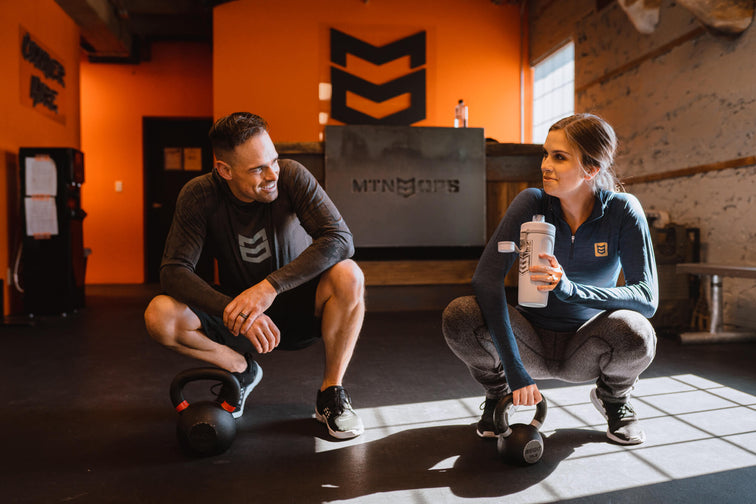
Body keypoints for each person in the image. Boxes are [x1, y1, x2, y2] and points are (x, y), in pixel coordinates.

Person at [144, 112, 366, 440]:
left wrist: (269, 287)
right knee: (159, 315)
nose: (271, 174)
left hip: (300, 307)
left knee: (349, 274)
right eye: (258, 169)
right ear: (224, 170)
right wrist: (230, 307)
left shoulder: (291, 176)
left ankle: (331, 393)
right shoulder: (200, 194)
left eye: (273, 161)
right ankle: (241, 371)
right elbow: (174, 271)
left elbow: (340, 238)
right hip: (239, 316)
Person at [442, 113, 658, 445]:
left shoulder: (623, 211)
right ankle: (498, 395)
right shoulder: (531, 202)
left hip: (585, 345)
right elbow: (486, 280)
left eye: (559, 157)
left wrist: (570, 289)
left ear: (590, 169)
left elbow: (646, 298)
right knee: (461, 314)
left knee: (637, 332)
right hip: (529, 342)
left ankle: (613, 399)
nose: (545, 164)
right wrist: (514, 371)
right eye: (545, 154)